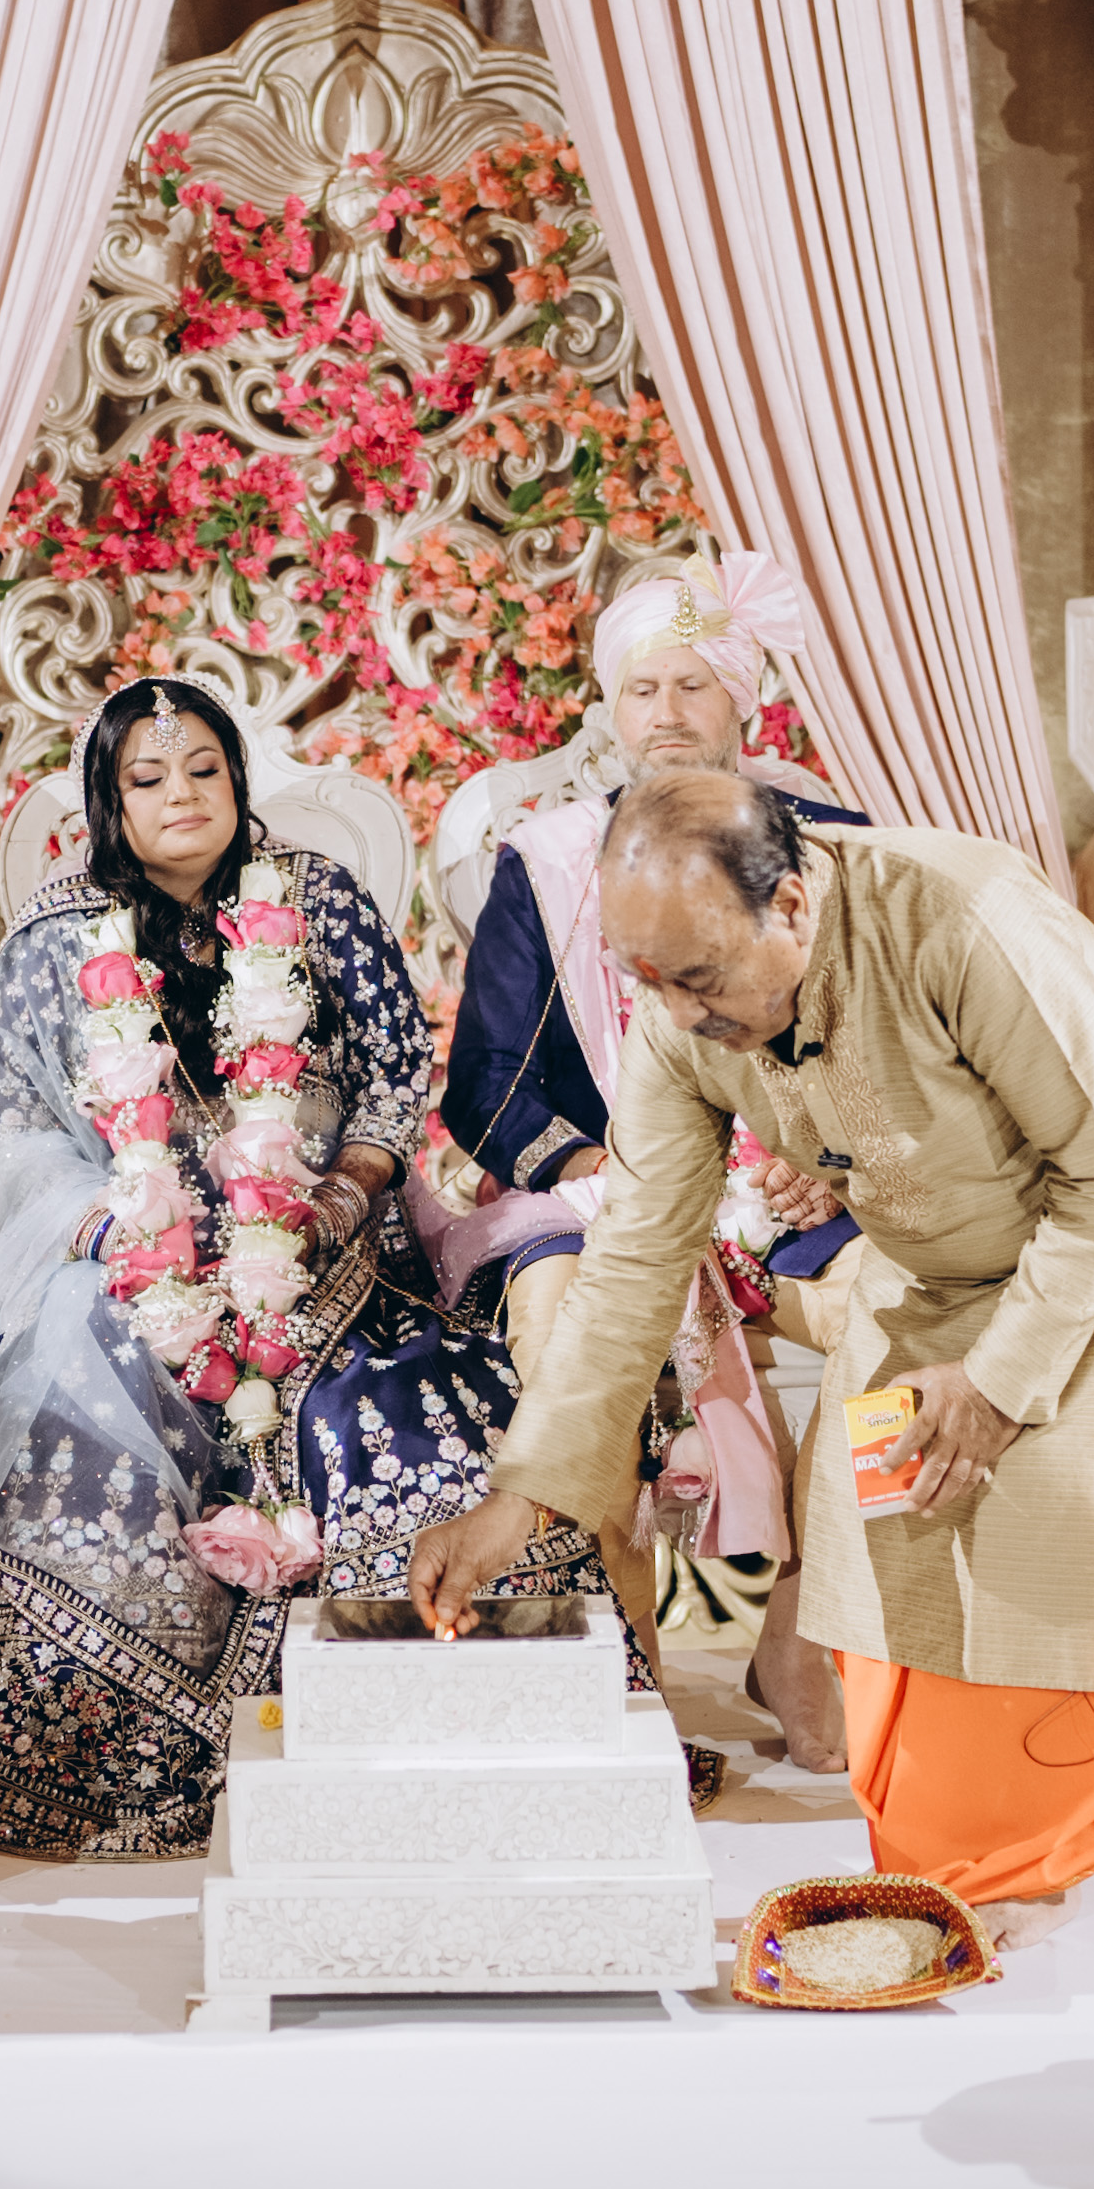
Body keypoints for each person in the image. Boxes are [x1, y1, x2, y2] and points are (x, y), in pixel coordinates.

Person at [0, 676, 617, 1857]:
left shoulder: (319, 899)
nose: (181, 797)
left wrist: (346, 1188)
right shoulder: (51, 940)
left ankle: (429, 1743)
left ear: (237, 782)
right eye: (148, 778)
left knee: (434, 1430)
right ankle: (93, 1762)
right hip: (119, 1270)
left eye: (203, 771)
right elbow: (10, 1135)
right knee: (24, 1412)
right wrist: (117, 1228)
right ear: (108, 803)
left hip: (325, 1259)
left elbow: (391, 1068)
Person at [411, 773, 1094, 1908]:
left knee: (1056, 1536)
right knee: (871, 1521)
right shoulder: (682, 1021)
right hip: (934, 1268)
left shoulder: (955, 915)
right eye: (647, 981)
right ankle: (941, 1875)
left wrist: (998, 1385)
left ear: (790, 904)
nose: (678, 1015)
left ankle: (1017, 1887)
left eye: (699, 978)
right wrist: (521, 1498)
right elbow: (634, 1259)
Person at [430, 549, 862, 1768]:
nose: (665, 713)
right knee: (564, 1330)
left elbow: (887, 1048)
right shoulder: (550, 862)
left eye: (692, 684)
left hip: (789, 1203)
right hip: (602, 1200)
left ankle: (804, 1634)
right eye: (640, 689)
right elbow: (484, 1083)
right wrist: (595, 1174)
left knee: (904, 1308)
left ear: (742, 701)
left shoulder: (832, 849)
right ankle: (633, 1684)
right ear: (609, 710)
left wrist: (836, 1161)